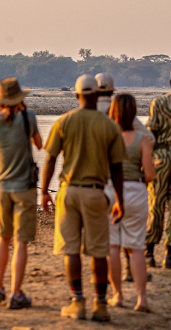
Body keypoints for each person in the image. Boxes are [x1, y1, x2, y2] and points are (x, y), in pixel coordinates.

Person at [41, 74, 127, 322]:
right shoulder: (109, 125)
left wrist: (45, 191)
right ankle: (100, 305)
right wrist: (120, 200)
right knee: (99, 251)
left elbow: (51, 158)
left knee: (71, 250)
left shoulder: (64, 121)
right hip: (95, 192)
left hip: (68, 191)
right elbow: (117, 168)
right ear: (98, 95)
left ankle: (77, 301)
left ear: (77, 95)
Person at [0, 77, 42, 309]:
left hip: (1, 188)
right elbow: (39, 144)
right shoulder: (29, 118)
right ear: (20, 99)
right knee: (21, 242)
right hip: (25, 189)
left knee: (3, 238)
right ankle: (16, 293)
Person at [95, 72, 155, 282]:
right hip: (131, 184)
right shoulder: (119, 109)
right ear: (112, 89)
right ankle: (132, 272)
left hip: (101, 183)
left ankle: (111, 290)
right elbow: (149, 137)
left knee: (110, 239)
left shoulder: (88, 110)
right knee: (133, 238)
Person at [106, 94, 155, 312]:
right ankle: (141, 299)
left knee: (113, 247)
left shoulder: (108, 137)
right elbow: (151, 174)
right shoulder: (142, 139)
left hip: (111, 192)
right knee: (135, 248)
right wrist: (138, 181)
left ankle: (117, 296)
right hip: (136, 191)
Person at [145, 72, 171, 269]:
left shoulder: (159, 103)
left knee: (156, 204)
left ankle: (150, 251)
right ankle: (169, 254)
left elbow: (151, 133)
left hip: (161, 157)